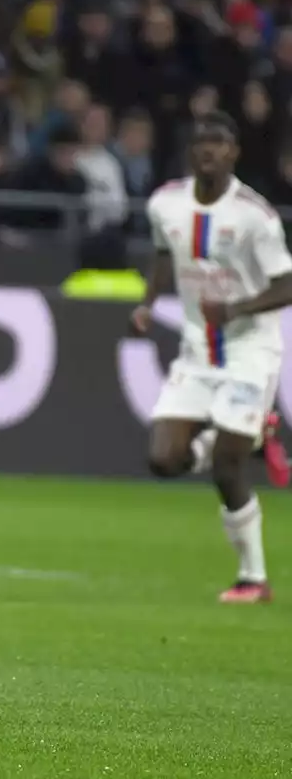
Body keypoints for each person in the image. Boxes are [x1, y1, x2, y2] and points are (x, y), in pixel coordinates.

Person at [132, 110, 292, 605]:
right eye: (202, 142)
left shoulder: (255, 216)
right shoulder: (166, 203)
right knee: (163, 459)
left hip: (249, 349)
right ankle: (249, 432)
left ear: (234, 153)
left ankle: (253, 579)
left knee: (227, 465)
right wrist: (147, 299)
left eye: (220, 143)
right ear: (191, 151)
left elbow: (286, 282)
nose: (209, 150)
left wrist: (237, 309)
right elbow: (164, 254)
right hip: (196, 352)